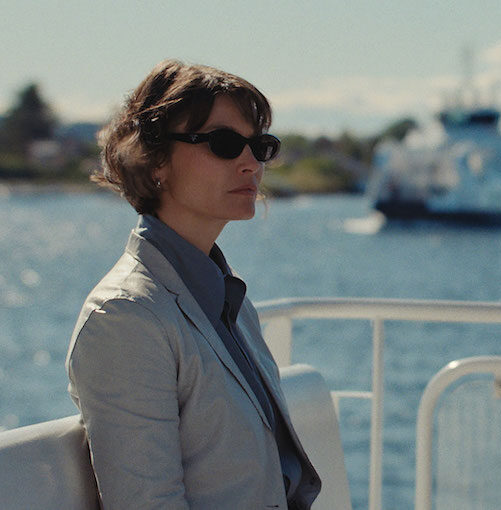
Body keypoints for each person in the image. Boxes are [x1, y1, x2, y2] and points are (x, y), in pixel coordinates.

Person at [65, 60, 321, 509]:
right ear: (154, 161)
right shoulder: (125, 317)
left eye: (260, 146)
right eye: (224, 144)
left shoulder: (227, 297)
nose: (251, 163)